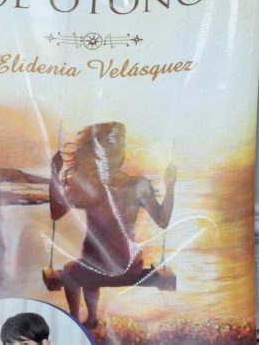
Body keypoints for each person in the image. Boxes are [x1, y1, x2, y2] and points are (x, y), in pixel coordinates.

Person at [48, 121, 176, 328]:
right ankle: (91, 318)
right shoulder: (138, 185)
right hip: (130, 266)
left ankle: (75, 320)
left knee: (72, 271)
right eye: (120, 145)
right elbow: (163, 221)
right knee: (88, 265)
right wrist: (170, 186)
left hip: (98, 265)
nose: (122, 150)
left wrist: (54, 174)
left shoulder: (87, 186)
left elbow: (56, 213)